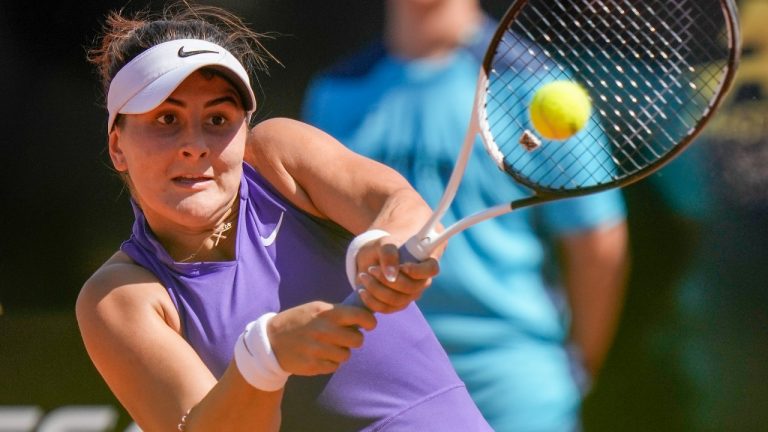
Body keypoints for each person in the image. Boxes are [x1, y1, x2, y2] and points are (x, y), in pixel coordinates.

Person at [75, 2, 492, 431]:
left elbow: (395, 203)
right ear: (117, 147)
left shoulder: (278, 155)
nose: (195, 145)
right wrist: (265, 357)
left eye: (218, 118)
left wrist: (387, 244)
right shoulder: (118, 299)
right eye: (167, 118)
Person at [302, 0, 629, 430]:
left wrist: (576, 367)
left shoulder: (534, 85)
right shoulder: (334, 93)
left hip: (513, 390)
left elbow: (599, 246)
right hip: (383, 385)